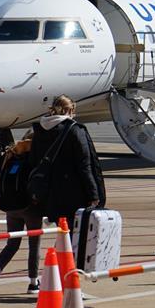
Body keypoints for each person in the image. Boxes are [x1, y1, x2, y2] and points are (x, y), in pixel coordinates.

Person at [28, 95, 105, 228]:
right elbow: (84, 166)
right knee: (75, 235)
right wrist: (94, 194)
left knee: (62, 232)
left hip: (49, 194)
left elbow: (33, 161)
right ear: (69, 110)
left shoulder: (39, 131)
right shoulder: (75, 130)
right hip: (74, 194)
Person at [0, 133, 43, 297]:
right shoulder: (34, 157)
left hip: (10, 205)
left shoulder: (11, 155)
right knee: (34, 244)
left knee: (12, 244)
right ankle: (33, 282)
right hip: (29, 207)